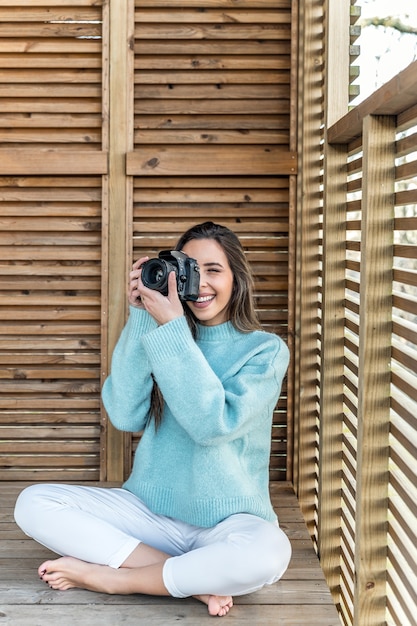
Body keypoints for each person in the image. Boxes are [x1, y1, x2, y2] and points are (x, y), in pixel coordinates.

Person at [14, 221, 291, 617]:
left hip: (228, 523)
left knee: (270, 553)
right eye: (190, 271)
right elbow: (125, 415)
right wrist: (144, 316)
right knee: (34, 503)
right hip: (148, 515)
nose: (202, 283)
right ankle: (186, 581)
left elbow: (212, 425)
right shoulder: (163, 335)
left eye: (213, 270)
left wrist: (172, 328)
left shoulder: (264, 350)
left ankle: (115, 578)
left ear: (237, 279)